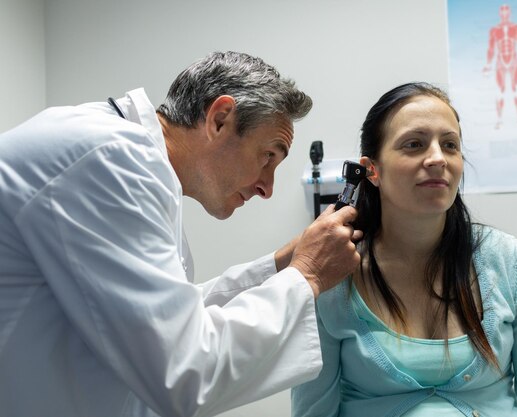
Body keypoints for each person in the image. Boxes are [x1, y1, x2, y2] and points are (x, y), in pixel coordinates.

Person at [0, 51, 361, 417]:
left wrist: (282, 266)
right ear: (220, 119)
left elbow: (163, 321)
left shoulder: (127, 159)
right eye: (268, 156)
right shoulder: (110, 158)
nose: (267, 188)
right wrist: (309, 274)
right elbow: (184, 372)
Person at [291, 82, 517, 416]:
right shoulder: (334, 275)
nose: (438, 158)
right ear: (371, 170)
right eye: (414, 144)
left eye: (450, 144)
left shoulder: (508, 261)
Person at [483, 4, 517, 129]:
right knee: (500, 91)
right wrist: (488, 65)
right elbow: (491, 48)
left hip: (513, 60)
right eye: (502, 10)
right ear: (500, 13)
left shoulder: (516, 28)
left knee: (516, 89)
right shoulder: (494, 30)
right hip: (500, 61)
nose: (504, 13)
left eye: (506, 10)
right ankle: (499, 120)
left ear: (509, 13)